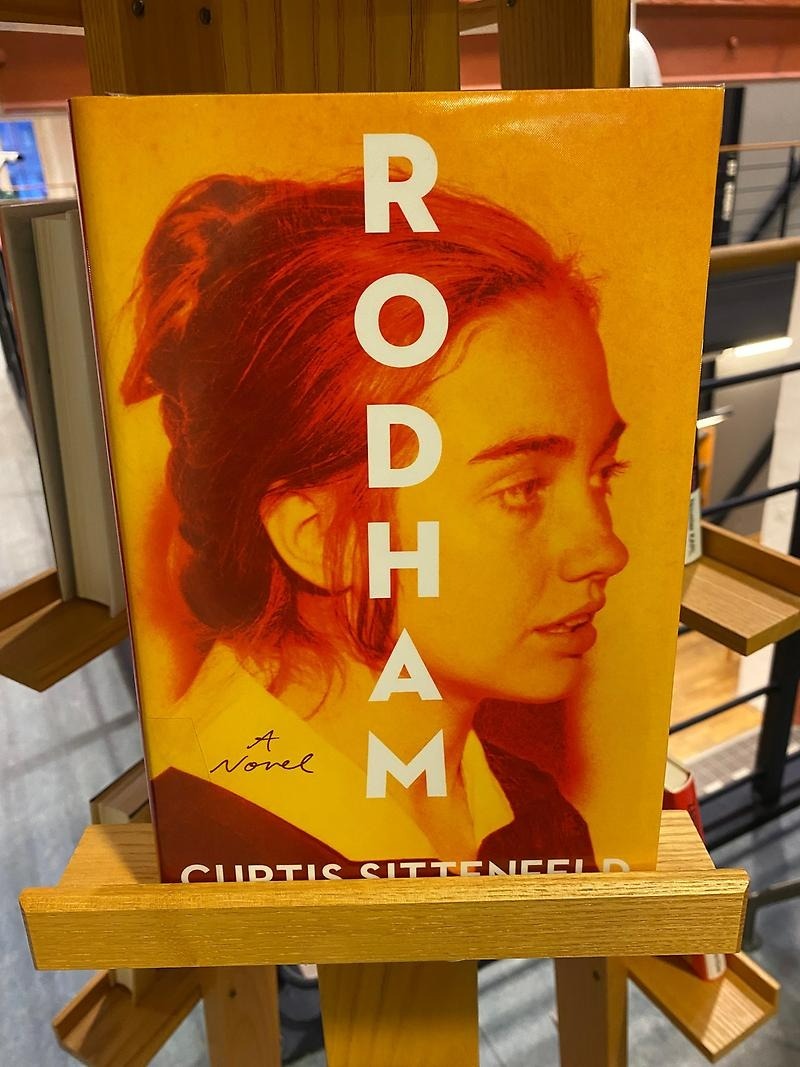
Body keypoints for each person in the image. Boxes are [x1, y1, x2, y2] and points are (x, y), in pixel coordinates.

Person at [123, 173, 629, 881]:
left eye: (605, 472)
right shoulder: (206, 861)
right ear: (320, 536)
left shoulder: (531, 810)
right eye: (522, 489)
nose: (606, 549)